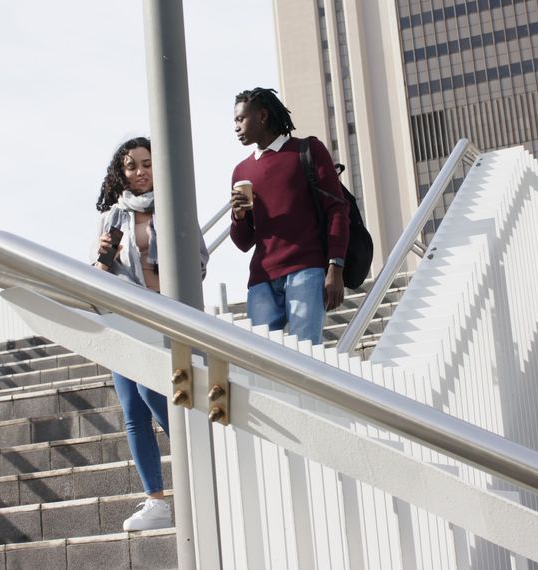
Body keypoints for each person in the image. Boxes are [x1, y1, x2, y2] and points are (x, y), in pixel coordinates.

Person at [92, 136, 209, 531]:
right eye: (131, 166)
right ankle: (155, 501)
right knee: (132, 412)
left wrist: (161, 279)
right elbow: (100, 277)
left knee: (152, 391)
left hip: (162, 315)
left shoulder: (174, 208)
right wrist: (102, 260)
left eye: (146, 164)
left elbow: (199, 262)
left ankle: (202, 465)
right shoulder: (112, 217)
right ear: (120, 173)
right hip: (124, 318)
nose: (140, 172)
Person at [229, 87, 349, 344]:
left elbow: (337, 210)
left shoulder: (307, 150)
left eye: (241, 119)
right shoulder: (241, 171)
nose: (236, 127)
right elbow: (243, 242)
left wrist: (335, 267)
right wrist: (238, 216)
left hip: (306, 270)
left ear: (262, 116)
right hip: (261, 278)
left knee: (306, 355)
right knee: (259, 359)